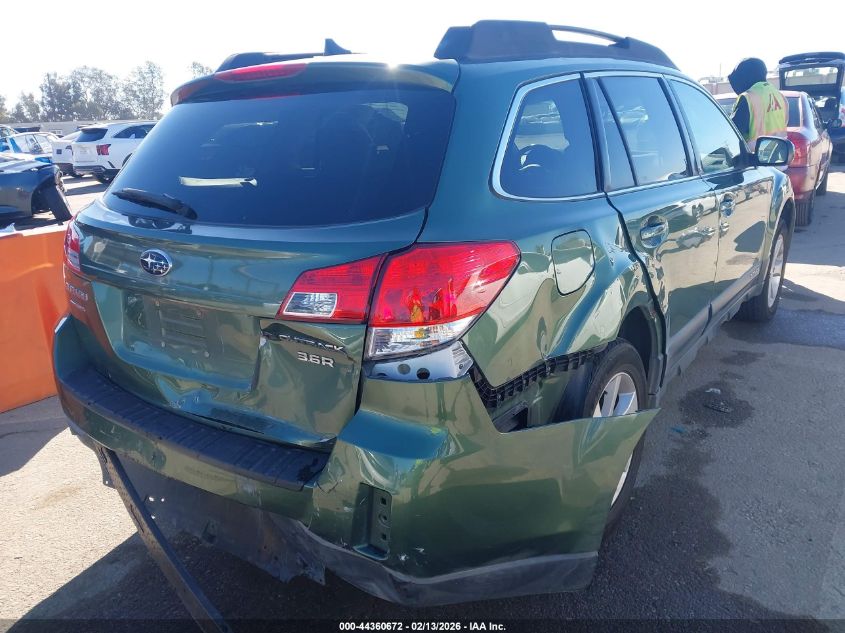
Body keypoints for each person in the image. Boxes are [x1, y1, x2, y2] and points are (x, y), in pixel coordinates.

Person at [727, 57, 788, 150]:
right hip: (777, 159)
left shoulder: (748, 98)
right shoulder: (780, 96)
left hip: (754, 159)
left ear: (745, 77)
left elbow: (732, 132)